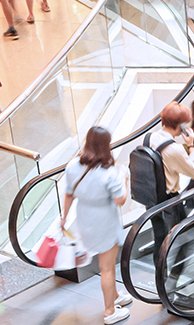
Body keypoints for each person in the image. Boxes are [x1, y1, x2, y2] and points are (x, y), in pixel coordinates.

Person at [62, 127, 135, 324]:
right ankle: (110, 311)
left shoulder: (73, 166)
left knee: (106, 267)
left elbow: (69, 194)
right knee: (107, 268)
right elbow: (120, 200)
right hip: (105, 221)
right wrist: (124, 179)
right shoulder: (108, 173)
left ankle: (115, 296)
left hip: (85, 218)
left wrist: (64, 218)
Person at [148, 102, 194, 267]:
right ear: (180, 125)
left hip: (151, 196)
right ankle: (174, 273)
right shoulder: (174, 149)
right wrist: (191, 145)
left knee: (160, 238)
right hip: (169, 201)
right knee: (186, 234)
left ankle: (162, 274)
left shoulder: (150, 138)